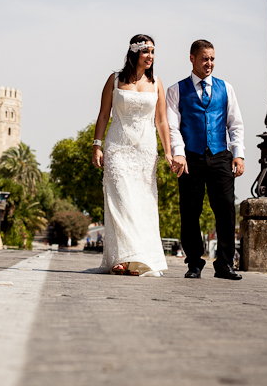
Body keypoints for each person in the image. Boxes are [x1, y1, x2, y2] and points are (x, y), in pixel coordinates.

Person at [91, 35, 172, 277]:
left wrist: (168, 152)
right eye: (146, 51)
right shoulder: (115, 79)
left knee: (141, 203)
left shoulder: (156, 82)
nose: (150, 56)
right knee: (120, 199)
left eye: (153, 52)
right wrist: (97, 145)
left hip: (145, 150)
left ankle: (137, 259)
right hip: (117, 147)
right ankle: (121, 258)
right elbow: (104, 114)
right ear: (134, 53)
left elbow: (161, 120)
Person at [166, 39, 245, 280]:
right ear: (192, 59)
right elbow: (172, 127)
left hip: (221, 155)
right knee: (190, 212)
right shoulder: (176, 90)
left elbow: (235, 124)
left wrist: (238, 154)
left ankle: (224, 264)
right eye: (204, 58)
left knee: (226, 211)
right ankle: (194, 263)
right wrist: (178, 152)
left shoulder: (226, 88)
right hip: (190, 157)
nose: (209, 63)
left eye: (212, 58)